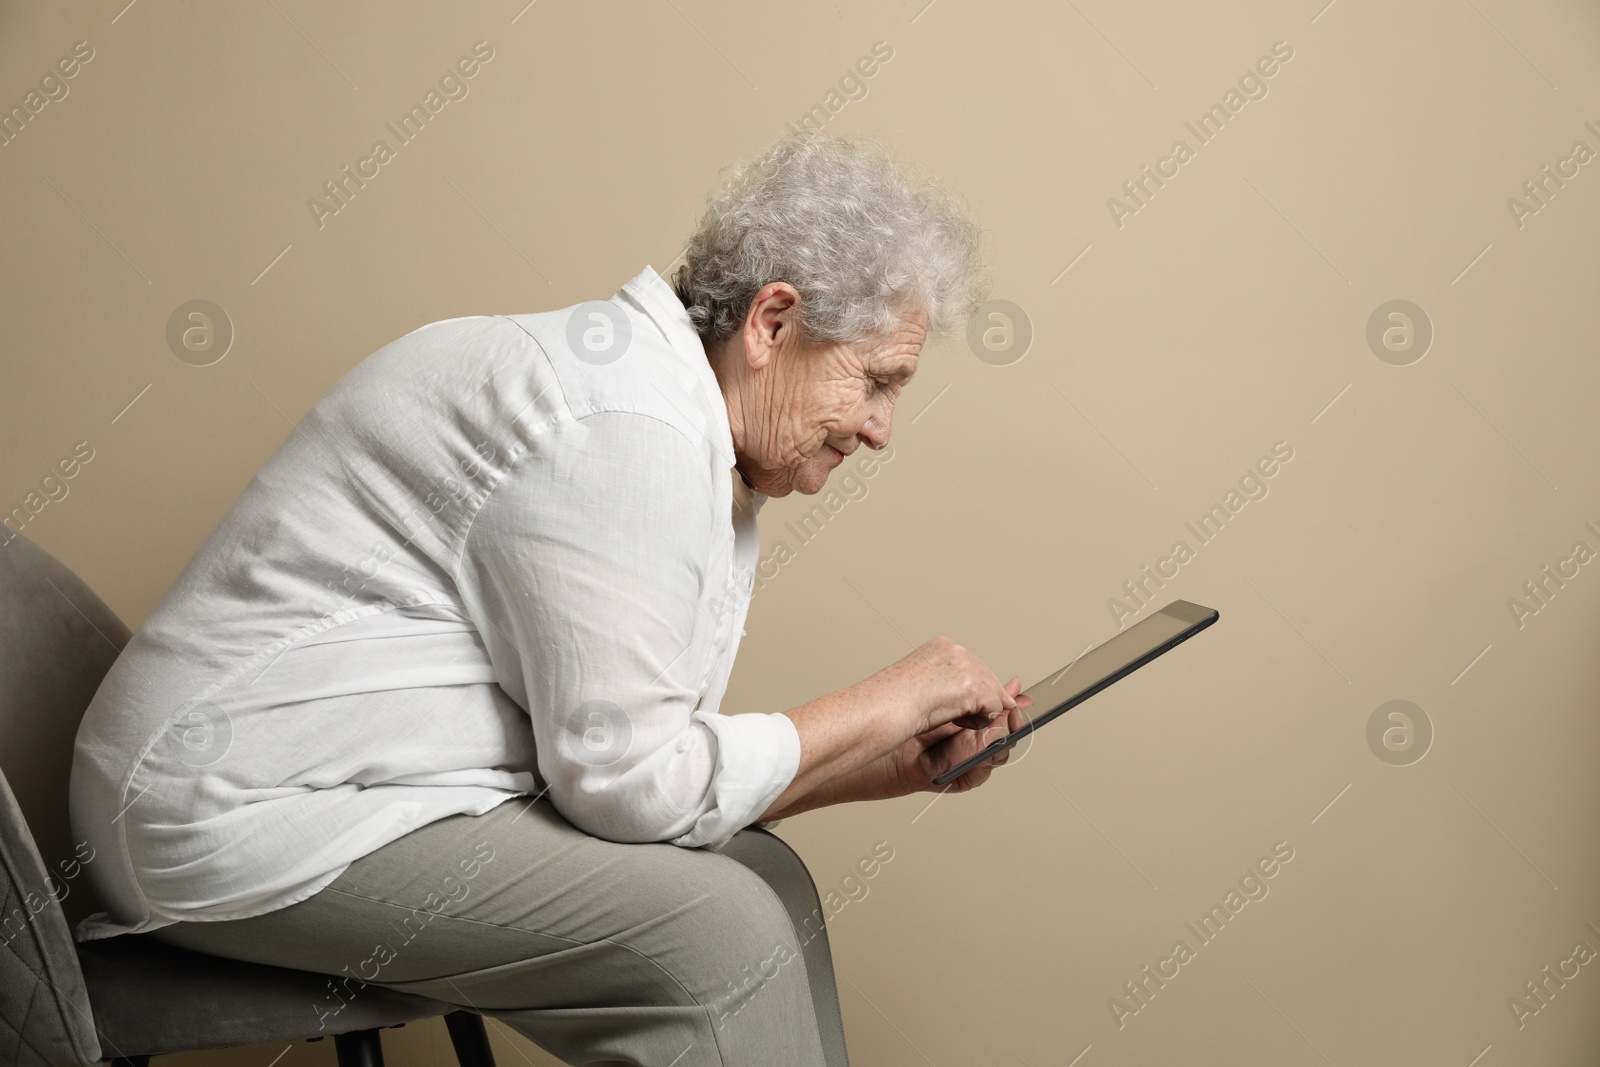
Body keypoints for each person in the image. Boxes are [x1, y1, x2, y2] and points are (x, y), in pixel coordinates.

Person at [70, 130, 1033, 1066]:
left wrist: (885, 758)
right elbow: (630, 783)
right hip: (218, 806)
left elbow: (631, 757)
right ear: (771, 324)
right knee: (716, 939)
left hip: (350, 780)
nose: (880, 429)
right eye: (877, 381)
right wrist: (884, 701)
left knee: (763, 876)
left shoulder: (670, 420)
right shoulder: (625, 427)